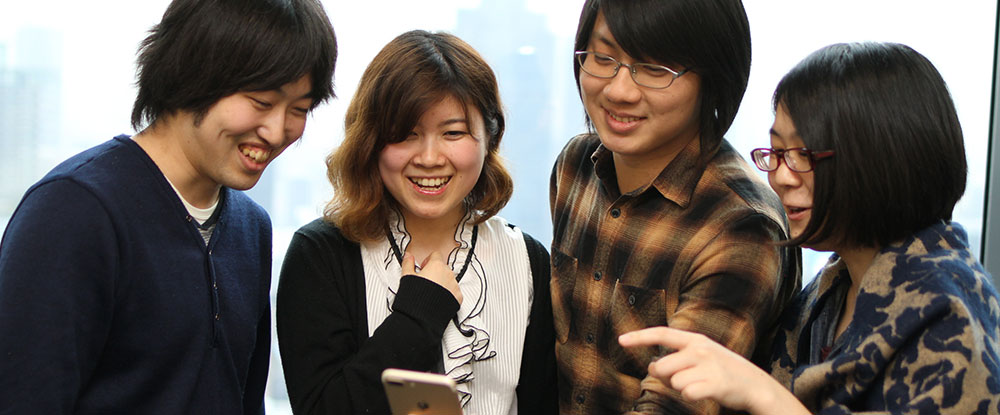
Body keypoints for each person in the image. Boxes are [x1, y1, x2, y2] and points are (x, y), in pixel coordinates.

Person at [620, 42, 1000, 415]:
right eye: (778, 153)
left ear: (887, 158)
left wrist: (763, 394)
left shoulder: (948, 314)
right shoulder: (830, 289)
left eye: (804, 155)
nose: (782, 177)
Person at [0, 0, 337, 413]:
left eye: (299, 110)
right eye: (261, 101)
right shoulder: (75, 211)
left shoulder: (252, 228)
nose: (277, 131)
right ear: (193, 74)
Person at [275, 30, 557, 415]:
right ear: (371, 141)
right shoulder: (321, 255)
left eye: (453, 133)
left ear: (489, 137)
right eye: (406, 134)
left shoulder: (527, 260)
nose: (429, 158)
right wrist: (418, 315)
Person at [549, 0, 800, 413]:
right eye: (603, 58)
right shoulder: (575, 167)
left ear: (712, 80)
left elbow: (675, 405)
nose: (619, 90)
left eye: (654, 69)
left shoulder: (742, 226)